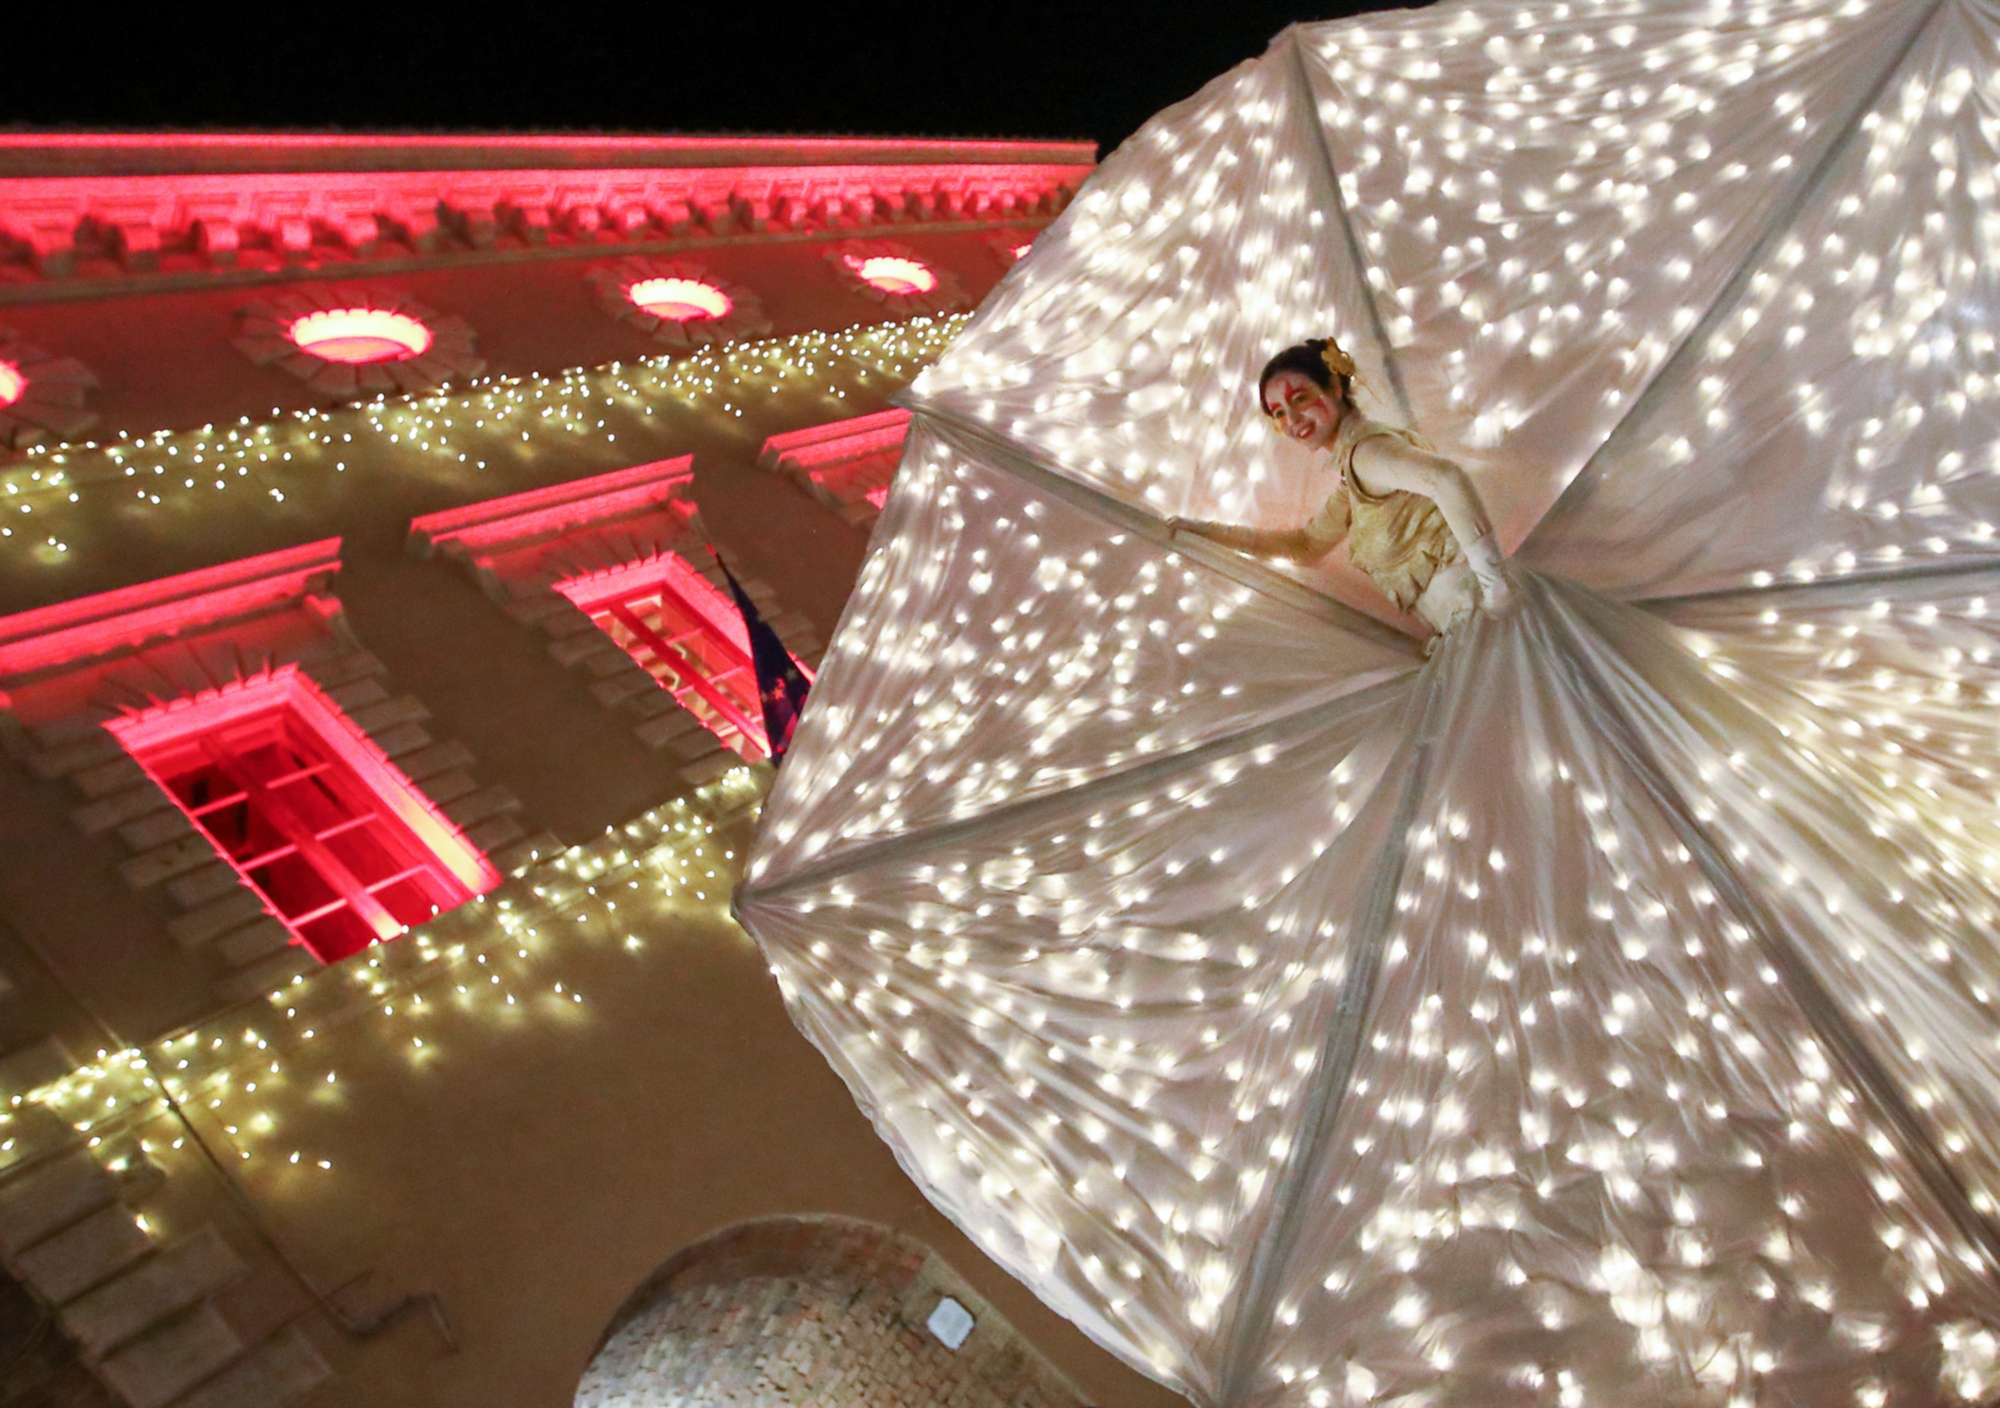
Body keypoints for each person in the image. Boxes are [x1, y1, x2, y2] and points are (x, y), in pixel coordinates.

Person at [1168, 338, 1512, 636]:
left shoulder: (1367, 453)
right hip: (1472, 624)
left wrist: (1496, 590)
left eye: (1300, 398)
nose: (1292, 420)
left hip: (1484, 618)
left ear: (1334, 387)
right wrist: (1204, 532)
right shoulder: (1355, 472)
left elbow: (1447, 479)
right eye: (1279, 413)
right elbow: (1305, 546)